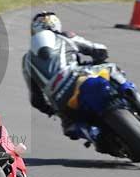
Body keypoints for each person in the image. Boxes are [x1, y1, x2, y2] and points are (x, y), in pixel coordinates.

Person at [21, 11, 118, 142]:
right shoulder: (66, 37)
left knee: (71, 125)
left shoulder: (26, 60)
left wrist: (52, 110)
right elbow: (97, 49)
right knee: (111, 68)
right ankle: (132, 96)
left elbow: (36, 100)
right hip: (78, 77)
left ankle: (94, 135)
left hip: (61, 101)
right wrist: (99, 57)